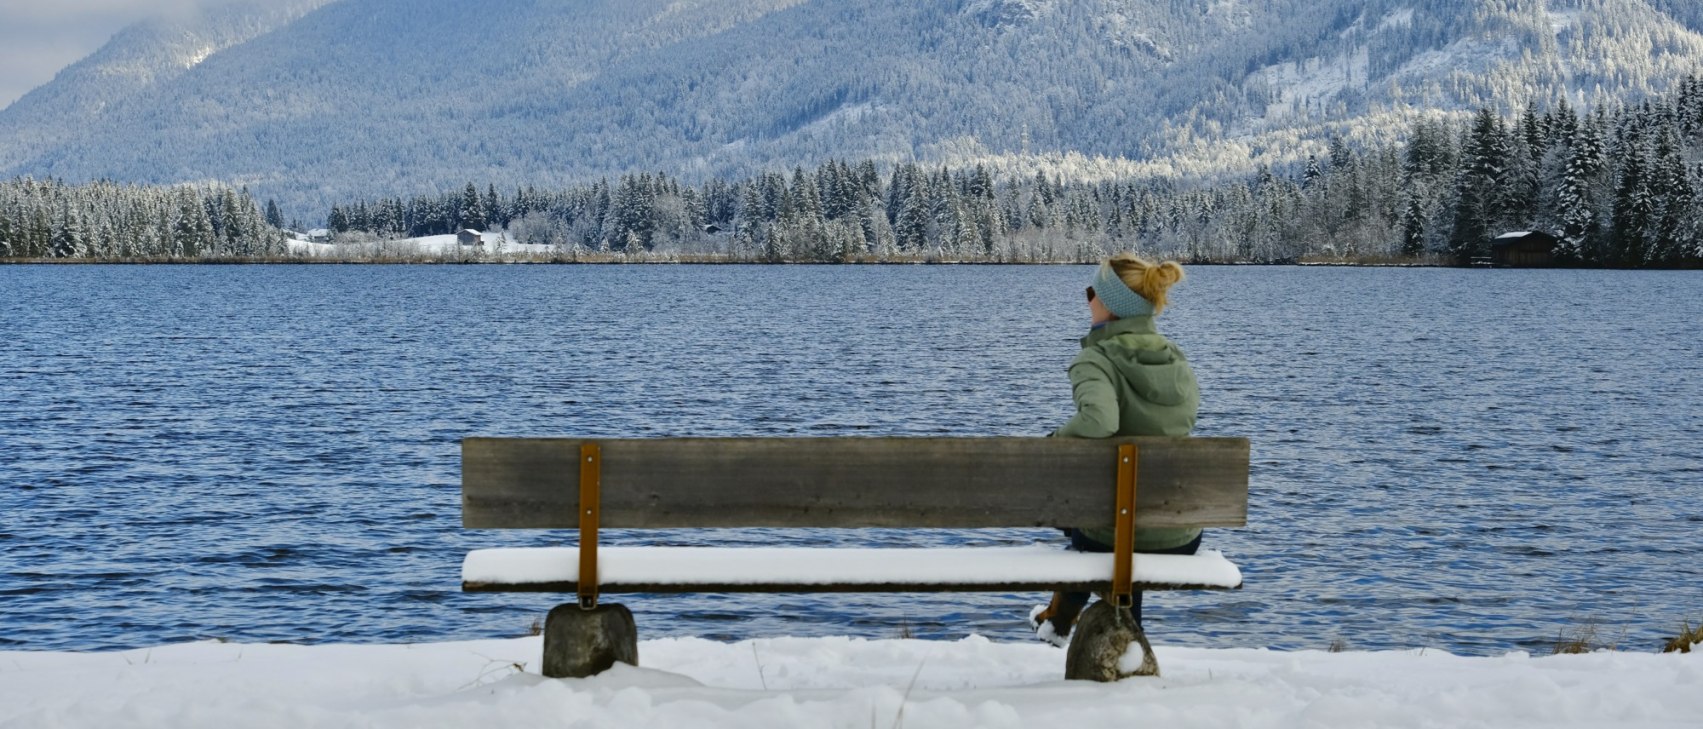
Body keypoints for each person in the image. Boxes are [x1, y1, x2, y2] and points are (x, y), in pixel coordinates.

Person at [1029, 253, 1200, 647]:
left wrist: (1053, 446)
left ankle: (1069, 622)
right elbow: (1184, 424)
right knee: (1120, 519)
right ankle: (1079, 627)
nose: (1087, 298)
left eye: (1092, 292)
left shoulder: (1096, 359)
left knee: (1100, 523)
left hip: (1112, 532)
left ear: (1111, 305)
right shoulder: (1177, 361)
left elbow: (1098, 421)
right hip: (1179, 532)